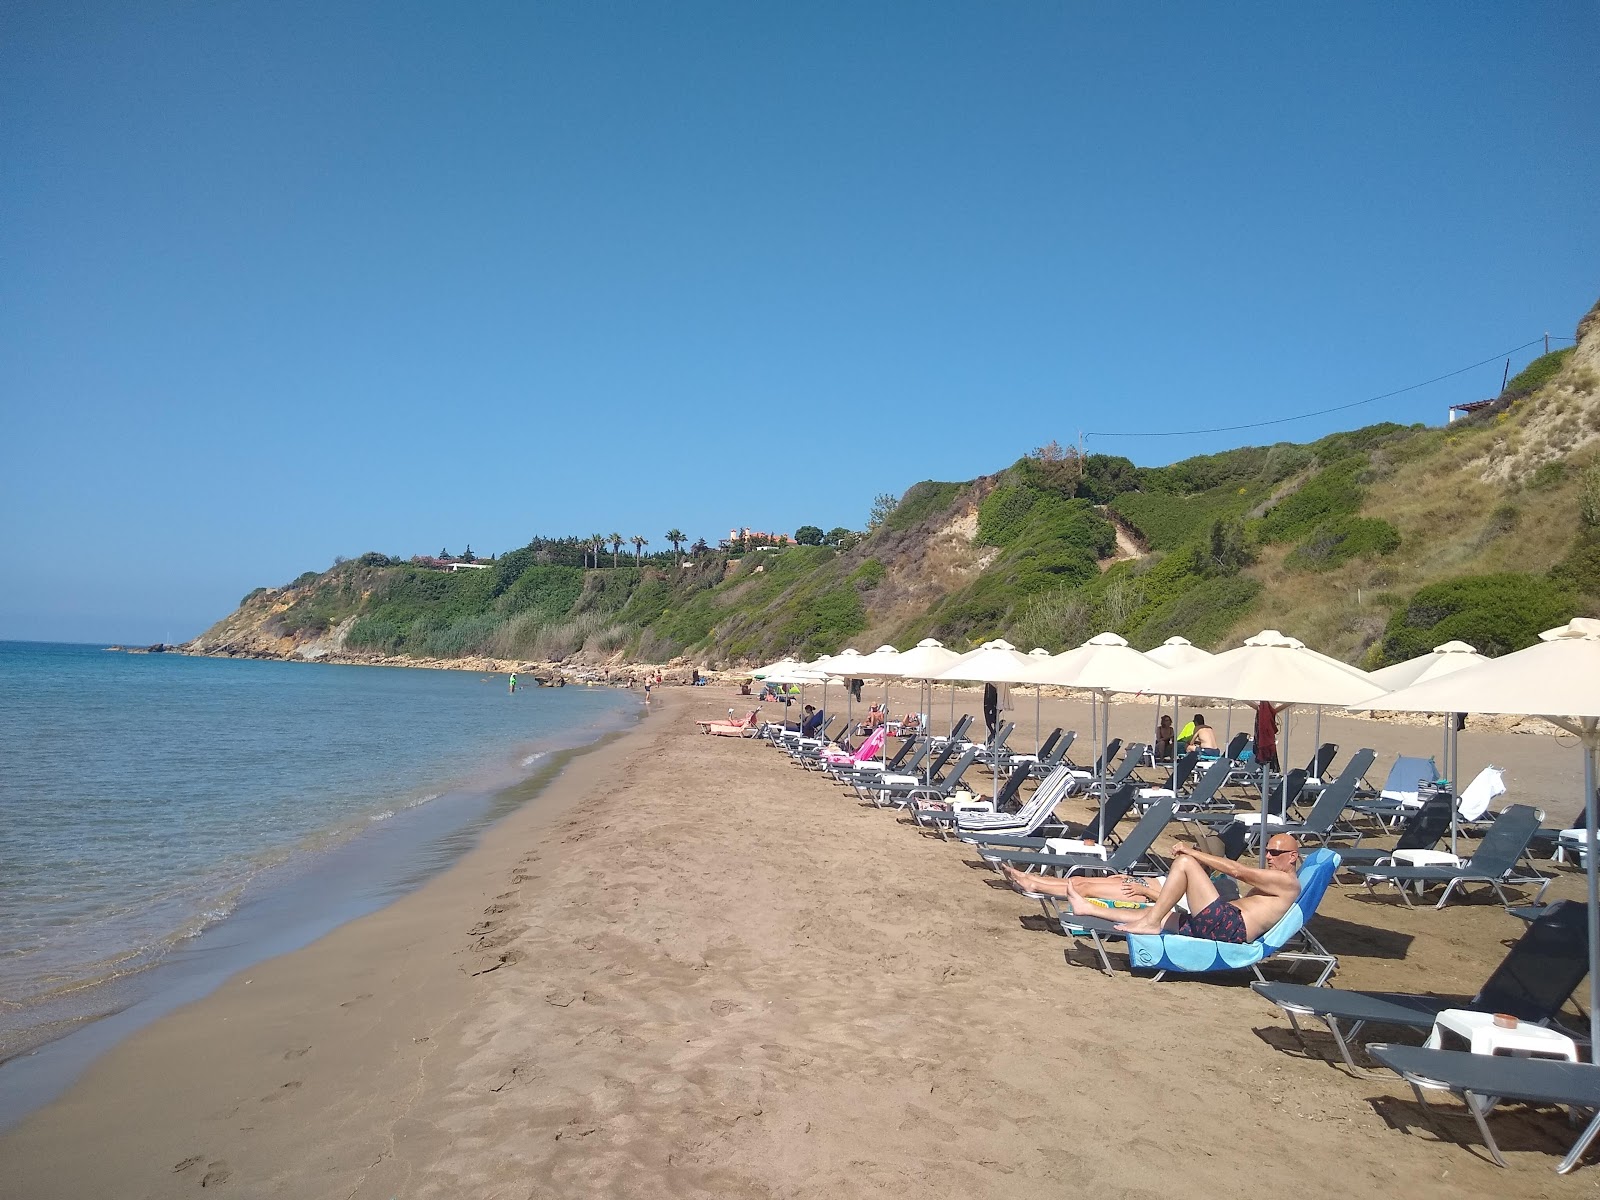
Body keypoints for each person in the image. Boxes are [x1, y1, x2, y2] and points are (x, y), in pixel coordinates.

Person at [1000, 833, 1304, 945]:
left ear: (1293, 857)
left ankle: (1151, 921)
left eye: (1275, 854)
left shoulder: (1287, 882)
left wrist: (1193, 852)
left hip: (1229, 928)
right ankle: (1087, 908)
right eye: (1267, 850)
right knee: (1152, 912)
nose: (1268, 856)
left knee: (1184, 863)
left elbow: (1237, 870)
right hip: (1222, 926)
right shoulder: (1274, 881)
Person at [1254, 701, 1283, 773]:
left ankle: (1269, 771)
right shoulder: (1265, 712)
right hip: (1267, 742)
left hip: (1265, 742)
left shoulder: (1265, 712)